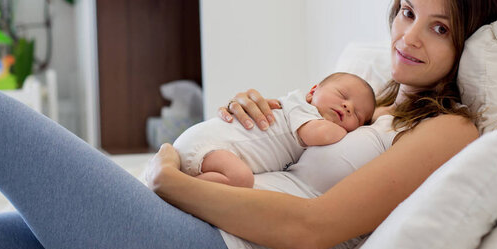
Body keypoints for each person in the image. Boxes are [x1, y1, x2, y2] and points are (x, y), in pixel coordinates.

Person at [0, 0, 497, 249]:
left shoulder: (450, 129)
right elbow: (289, 147)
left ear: (468, 41)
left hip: (206, 242)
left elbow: (310, 229)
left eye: (439, 28)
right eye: (406, 12)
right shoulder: (374, 102)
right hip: (181, 215)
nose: (408, 36)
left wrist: (173, 179)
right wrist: (249, 116)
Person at [158, 72, 375, 188]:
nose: (348, 107)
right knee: (241, 179)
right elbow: (319, 134)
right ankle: (178, 186)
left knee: (238, 178)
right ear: (312, 92)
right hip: (206, 144)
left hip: (212, 150)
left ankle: (179, 181)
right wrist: (347, 130)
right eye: (342, 95)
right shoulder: (301, 107)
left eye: (357, 115)